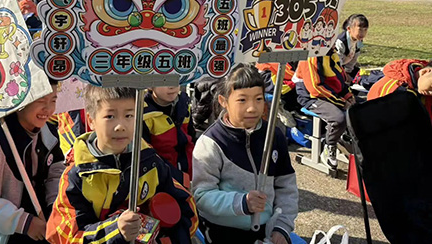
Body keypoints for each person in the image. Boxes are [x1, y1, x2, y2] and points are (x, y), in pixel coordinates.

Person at [46, 86, 198, 244]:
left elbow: (187, 209)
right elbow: (64, 235)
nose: (120, 126)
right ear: (91, 120)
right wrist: (115, 230)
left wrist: (163, 237)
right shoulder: (77, 176)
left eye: (129, 115)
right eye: (110, 116)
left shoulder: (150, 162)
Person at [192, 64, 297, 244]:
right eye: (242, 100)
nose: (252, 108)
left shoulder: (273, 135)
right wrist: (242, 203)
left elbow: (286, 186)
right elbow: (202, 195)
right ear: (223, 101)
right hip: (221, 231)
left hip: (266, 229)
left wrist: (282, 226)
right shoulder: (210, 142)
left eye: (258, 99)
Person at [0, 80, 65, 244]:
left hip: (43, 222)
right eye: (40, 100)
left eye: (53, 100)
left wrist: (54, 206)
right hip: (2, 233)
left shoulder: (49, 134)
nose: (48, 109)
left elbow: (56, 172)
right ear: (20, 99)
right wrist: (25, 223)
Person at [295, 50, 354, 169]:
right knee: (338, 118)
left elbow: (341, 81)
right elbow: (315, 89)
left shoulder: (332, 54)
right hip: (311, 98)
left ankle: (342, 139)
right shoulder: (311, 56)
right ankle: (329, 145)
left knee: (359, 109)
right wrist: (342, 102)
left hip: (331, 95)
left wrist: (348, 96)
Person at [142, 86, 195, 185]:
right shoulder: (143, 115)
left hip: (193, 171)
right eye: (164, 81)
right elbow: (149, 157)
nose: (172, 86)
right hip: (164, 179)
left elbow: (192, 138)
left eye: (176, 79)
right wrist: (180, 178)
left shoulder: (184, 104)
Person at [335, 14, 369, 82]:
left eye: (365, 30)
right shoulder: (341, 42)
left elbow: (355, 56)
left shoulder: (359, 40)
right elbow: (337, 62)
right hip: (336, 67)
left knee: (363, 78)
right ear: (349, 29)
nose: (363, 33)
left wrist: (348, 71)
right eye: (360, 30)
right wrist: (345, 75)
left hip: (347, 66)